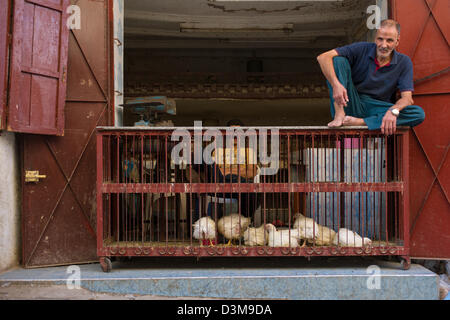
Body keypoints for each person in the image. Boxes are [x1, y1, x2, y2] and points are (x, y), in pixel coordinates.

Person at [316, 19, 425, 135]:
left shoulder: (404, 62)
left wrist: (393, 111)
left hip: (376, 108)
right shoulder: (362, 48)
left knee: (418, 113)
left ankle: (361, 122)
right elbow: (322, 57)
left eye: (389, 41)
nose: (384, 45)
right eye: (380, 39)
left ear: (397, 41)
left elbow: (407, 99)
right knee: (338, 60)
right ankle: (339, 114)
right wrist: (336, 85)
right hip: (350, 101)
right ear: (375, 38)